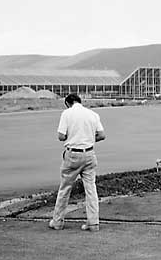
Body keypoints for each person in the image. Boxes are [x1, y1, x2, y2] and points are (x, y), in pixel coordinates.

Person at [49, 93, 106, 232]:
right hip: (89, 153)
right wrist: (88, 139)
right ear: (80, 101)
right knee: (91, 189)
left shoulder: (67, 113)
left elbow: (61, 136)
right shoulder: (92, 114)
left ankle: (57, 222)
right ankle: (93, 223)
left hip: (73, 154)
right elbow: (102, 135)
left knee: (65, 188)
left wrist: (74, 137)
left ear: (68, 103)